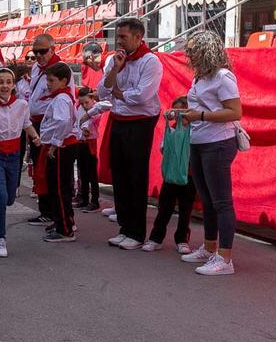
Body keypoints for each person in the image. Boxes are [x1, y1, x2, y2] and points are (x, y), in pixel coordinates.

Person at [178, 30, 242, 275]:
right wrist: (185, 115)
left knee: (222, 201)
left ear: (206, 49)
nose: (188, 54)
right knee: (207, 200)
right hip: (200, 140)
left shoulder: (223, 76)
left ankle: (225, 259)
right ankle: (209, 247)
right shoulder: (200, 77)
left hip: (218, 142)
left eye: (193, 49)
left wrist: (200, 116)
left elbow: (235, 112)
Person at [97, 18, 163, 251]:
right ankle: (124, 228)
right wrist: (115, 69)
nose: (119, 41)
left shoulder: (150, 61)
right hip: (119, 119)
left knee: (136, 177)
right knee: (120, 176)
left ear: (138, 37)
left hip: (141, 122)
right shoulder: (113, 60)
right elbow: (102, 90)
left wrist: (118, 93)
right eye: (118, 36)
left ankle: (136, 232)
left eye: (124, 36)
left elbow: (142, 96)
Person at [0, 68, 38, 258]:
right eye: (0, 82)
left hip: (14, 157)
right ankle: (0, 239)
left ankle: (8, 199)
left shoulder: (21, 104)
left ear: (13, 85)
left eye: (8, 82)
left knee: (10, 197)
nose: (4, 86)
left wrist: (35, 136)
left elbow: (26, 123)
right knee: (1, 196)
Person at [144, 96, 196, 254]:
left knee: (185, 211)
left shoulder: (195, 131)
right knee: (164, 209)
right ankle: (155, 238)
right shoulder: (171, 130)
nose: (177, 115)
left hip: (189, 177)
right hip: (171, 176)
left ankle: (182, 239)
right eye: (174, 112)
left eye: (181, 111)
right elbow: (163, 149)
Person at [40, 62, 80, 243]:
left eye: (51, 80)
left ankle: (65, 229)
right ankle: (63, 221)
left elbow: (63, 122)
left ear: (63, 81)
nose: (48, 84)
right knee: (59, 187)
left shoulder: (62, 99)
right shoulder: (61, 97)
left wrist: (55, 143)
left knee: (59, 188)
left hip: (61, 146)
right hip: (61, 144)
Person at [27, 34, 63, 224]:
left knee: (48, 169)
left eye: (43, 51)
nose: (39, 55)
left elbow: (62, 99)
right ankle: (45, 210)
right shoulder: (36, 68)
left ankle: (52, 212)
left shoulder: (60, 70)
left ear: (53, 49)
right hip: (35, 123)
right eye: (36, 52)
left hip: (48, 124)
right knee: (38, 167)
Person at [74, 88, 105, 213]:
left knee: (92, 174)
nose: (85, 105)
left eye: (87, 102)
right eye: (82, 103)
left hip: (90, 143)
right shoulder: (79, 109)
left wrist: (85, 127)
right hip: (80, 143)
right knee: (82, 173)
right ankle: (84, 199)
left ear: (92, 99)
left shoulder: (96, 110)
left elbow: (91, 121)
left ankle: (95, 201)